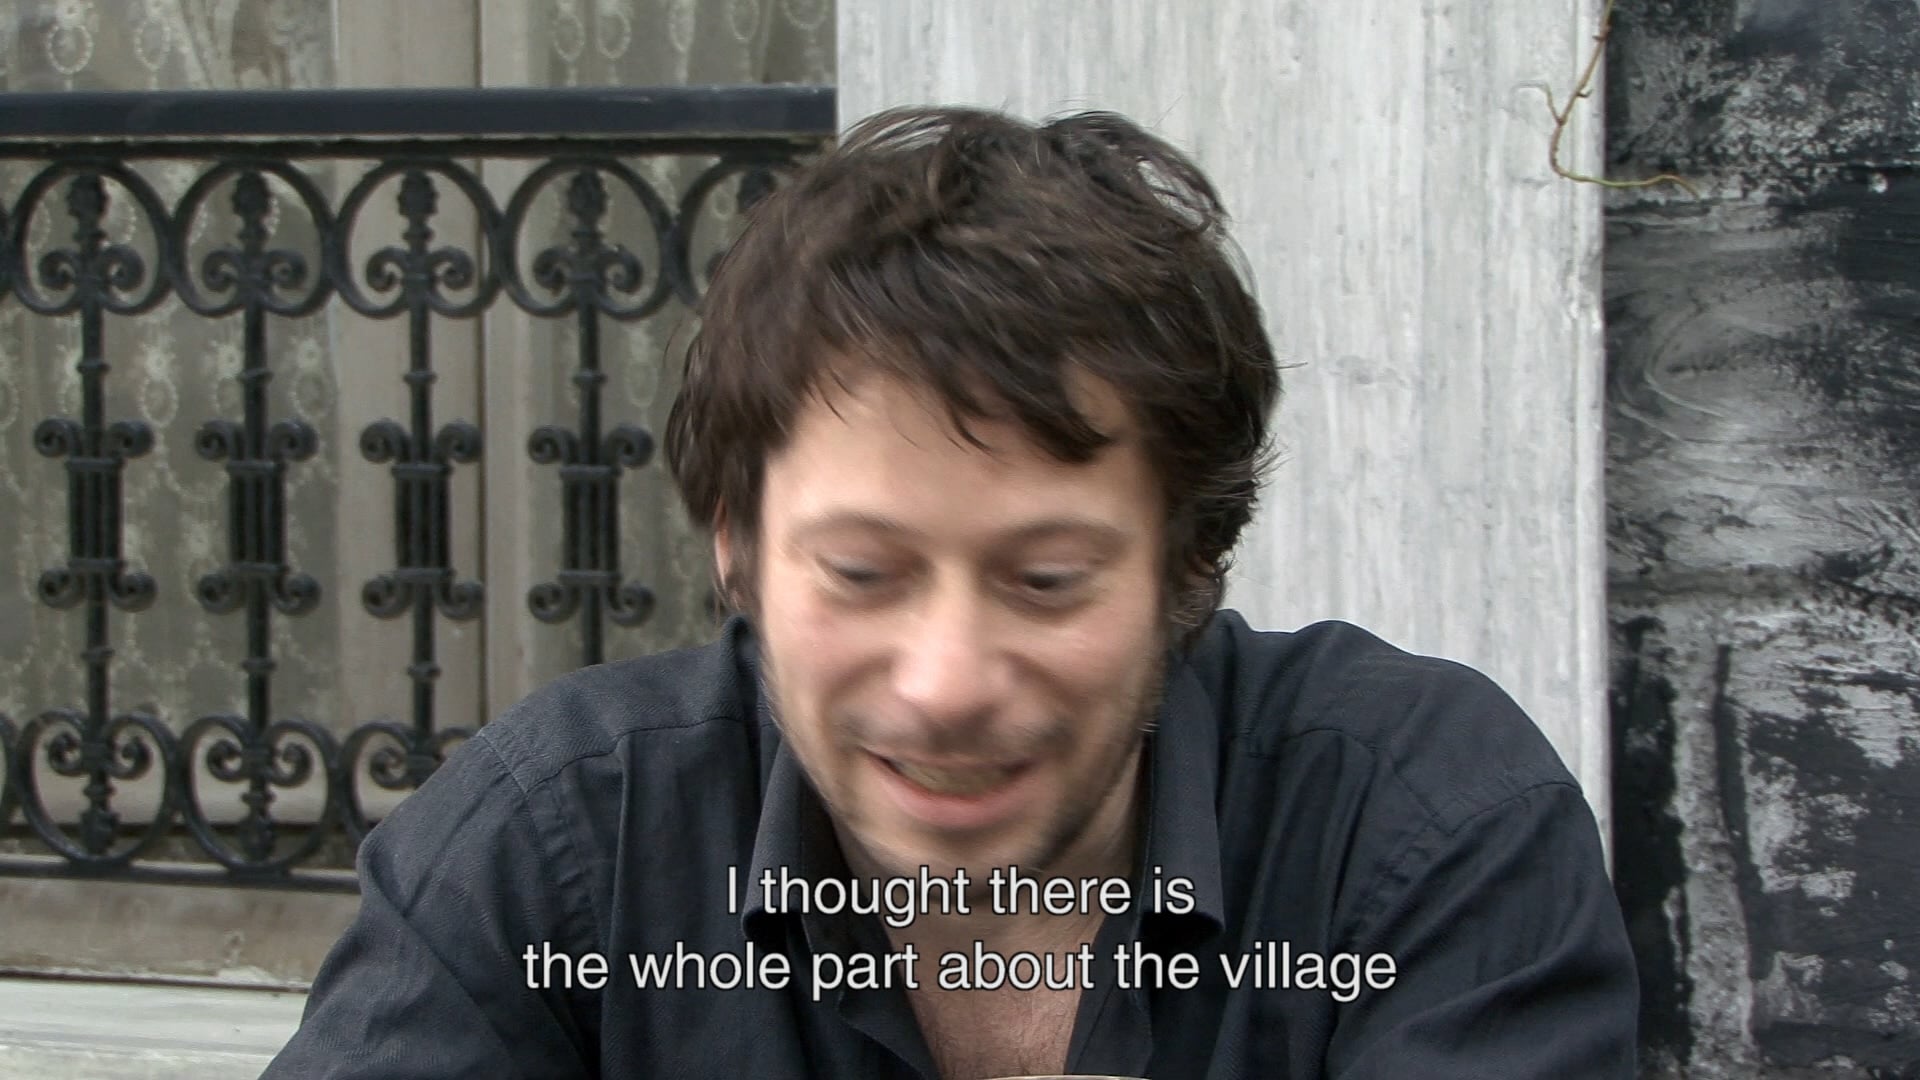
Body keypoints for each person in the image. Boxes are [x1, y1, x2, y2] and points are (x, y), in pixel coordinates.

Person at [264, 105, 1637, 1079]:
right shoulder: (548, 847)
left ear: (1189, 566)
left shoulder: (1426, 824)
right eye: (862, 573)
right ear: (736, 548)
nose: (946, 682)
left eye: (1046, 580)